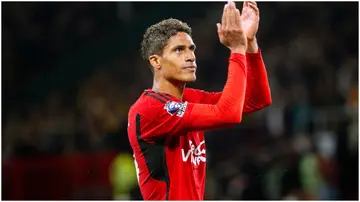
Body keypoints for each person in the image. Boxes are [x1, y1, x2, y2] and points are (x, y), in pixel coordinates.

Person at [128, 1, 271, 200]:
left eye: (191, 48)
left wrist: (249, 43)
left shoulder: (190, 98)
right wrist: (237, 49)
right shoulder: (149, 108)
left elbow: (257, 100)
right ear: (156, 61)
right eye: (179, 50)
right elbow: (228, 114)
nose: (190, 57)